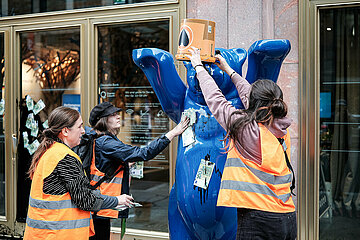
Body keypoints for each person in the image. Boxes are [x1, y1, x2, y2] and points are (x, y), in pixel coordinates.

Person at [186, 47, 297, 240]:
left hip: (259, 217)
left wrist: (198, 66)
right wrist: (229, 70)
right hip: (287, 217)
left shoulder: (248, 131)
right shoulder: (279, 125)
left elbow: (216, 101)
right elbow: (250, 98)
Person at [23, 106, 133, 240]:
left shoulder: (49, 151)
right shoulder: (65, 158)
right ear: (65, 131)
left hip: (43, 234)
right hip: (59, 234)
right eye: (79, 126)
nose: (83, 131)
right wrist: (116, 200)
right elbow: (85, 199)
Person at [87, 102, 189, 240]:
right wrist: (173, 133)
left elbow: (103, 167)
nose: (118, 117)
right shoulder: (106, 142)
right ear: (103, 120)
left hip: (99, 205)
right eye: (112, 115)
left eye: (117, 113)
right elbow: (143, 153)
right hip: (100, 205)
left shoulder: (100, 139)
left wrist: (123, 166)